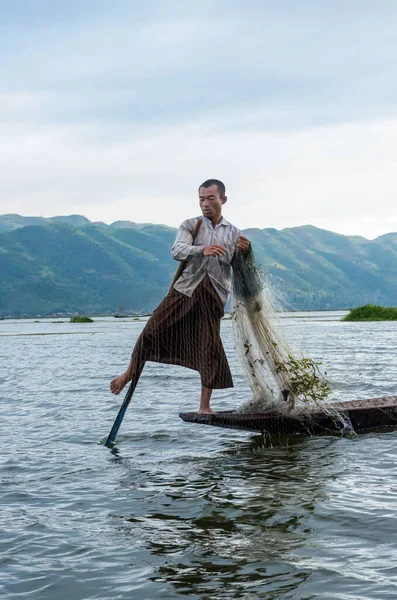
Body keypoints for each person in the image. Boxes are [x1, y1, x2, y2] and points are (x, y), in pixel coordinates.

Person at [110, 179, 250, 413]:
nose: (205, 204)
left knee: (208, 347)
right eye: (201, 199)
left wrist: (246, 252)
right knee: (151, 332)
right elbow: (177, 250)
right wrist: (202, 250)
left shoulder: (234, 233)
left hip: (213, 295)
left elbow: (238, 266)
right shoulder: (190, 225)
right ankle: (129, 373)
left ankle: (204, 406)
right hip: (185, 289)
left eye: (210, 198)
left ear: (223, 200)